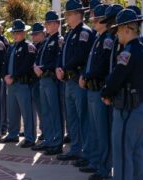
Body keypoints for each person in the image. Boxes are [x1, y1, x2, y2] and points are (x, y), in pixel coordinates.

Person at [101, 9, 143, 180]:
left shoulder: (128, 52)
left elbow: (115, 79)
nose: (116, 34)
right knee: (137, 152)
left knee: (122, 153)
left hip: (127, 110)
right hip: (139, 108)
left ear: (127, 29)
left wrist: (106, 93)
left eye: (118, 30)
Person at [56, 0, 94, 165]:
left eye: (68, 14)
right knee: (71, 118)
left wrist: (64, 67)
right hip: (68, 80)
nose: (66, 17)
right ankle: (75, 149)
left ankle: (86, 153)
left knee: (82, 117)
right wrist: (59, 67)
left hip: (77, 79)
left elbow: (80, 55)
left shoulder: (84, 32)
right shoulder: (70, 33)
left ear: (77, 14)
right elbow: (62, 53)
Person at [78, 4, 113, 179]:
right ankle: (95, 162)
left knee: (101, 130)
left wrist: (88, 75)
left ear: (103, 21)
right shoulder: (99, 38)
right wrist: (85, 74)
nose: (93, 21)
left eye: (96, 19)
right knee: (93, 129)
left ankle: (104, 168)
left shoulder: (107, 39)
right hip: (91, 88)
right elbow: (90, 62)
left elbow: (101, 65)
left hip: (98, 88)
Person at [0, 19, 36, 148]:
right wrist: (5, 76)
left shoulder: (29, 47)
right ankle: (12, 135)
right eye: (14, 32)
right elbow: (4, 64)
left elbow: (27, 66)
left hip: (22, 84)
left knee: (27, 112)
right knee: (12, 112)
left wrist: (14, 76)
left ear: (24, 32)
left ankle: (30, 138)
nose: (15, 35)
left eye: (18, 32)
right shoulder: (11, 47)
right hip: (11, 84)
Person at [32, 10, 63, 155]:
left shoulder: (59, 40)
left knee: (54, 111)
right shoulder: (46, 41)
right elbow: (38, 58)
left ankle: (57, 142)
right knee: (45, 111)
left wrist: (42, 68)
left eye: (51, 23)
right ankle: (49, 140)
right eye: (47, 23)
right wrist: (36, 67)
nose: (48, 25)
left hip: (51, 79)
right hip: (42, 79)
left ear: (57, 24)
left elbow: (57, 61)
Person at [28, 22, 46, 141]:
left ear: (43, 34)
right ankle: (43, 129)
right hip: (34, 81)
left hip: (43, 80)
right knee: (39, 108)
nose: (33, 36)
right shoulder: (35, 46)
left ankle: (45, 130)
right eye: (33, 34)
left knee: (44, 108)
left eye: (36, 34)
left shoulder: (44, 45)